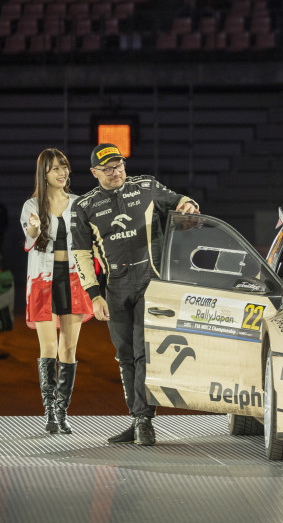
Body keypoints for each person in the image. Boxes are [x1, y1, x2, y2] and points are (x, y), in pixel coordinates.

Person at [71, 144, 200, 446]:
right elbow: (80, 253)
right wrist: (94, 295)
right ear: (94, 173)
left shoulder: (147, 187)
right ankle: (137, 418)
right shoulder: (84, 206)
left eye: (119, 166)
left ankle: (144, 422)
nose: (115, 173)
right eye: (107, 169)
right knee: (124, 354)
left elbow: (180, 200)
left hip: (149, 284)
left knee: (143, 351)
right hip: (115, 288)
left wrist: (188, 204)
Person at [20, 149, 94, 434]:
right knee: (49, 347)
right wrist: (35, 229)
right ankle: (50, 411)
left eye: (64, 167)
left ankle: (62, 411)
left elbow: (89, 242)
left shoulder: (79, 204)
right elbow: (29, 240)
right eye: (55, 169)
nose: (62, 173)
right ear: (44, 175)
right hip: (43, 281)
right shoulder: (31, 206)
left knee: (70, 348)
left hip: (74, 281)